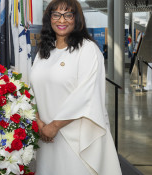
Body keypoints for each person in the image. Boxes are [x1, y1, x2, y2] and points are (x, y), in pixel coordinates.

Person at [30, 0, 122, 174]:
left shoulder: (87, 50)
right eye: (56, 14)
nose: (61, 20)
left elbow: (86, 94)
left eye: (68, 15)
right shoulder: (44, 52)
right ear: (49, 19)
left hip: (76, 138)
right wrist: (39, 123)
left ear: (76, 19)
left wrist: (54, 126)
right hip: (46, 135)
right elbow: (32, 88)